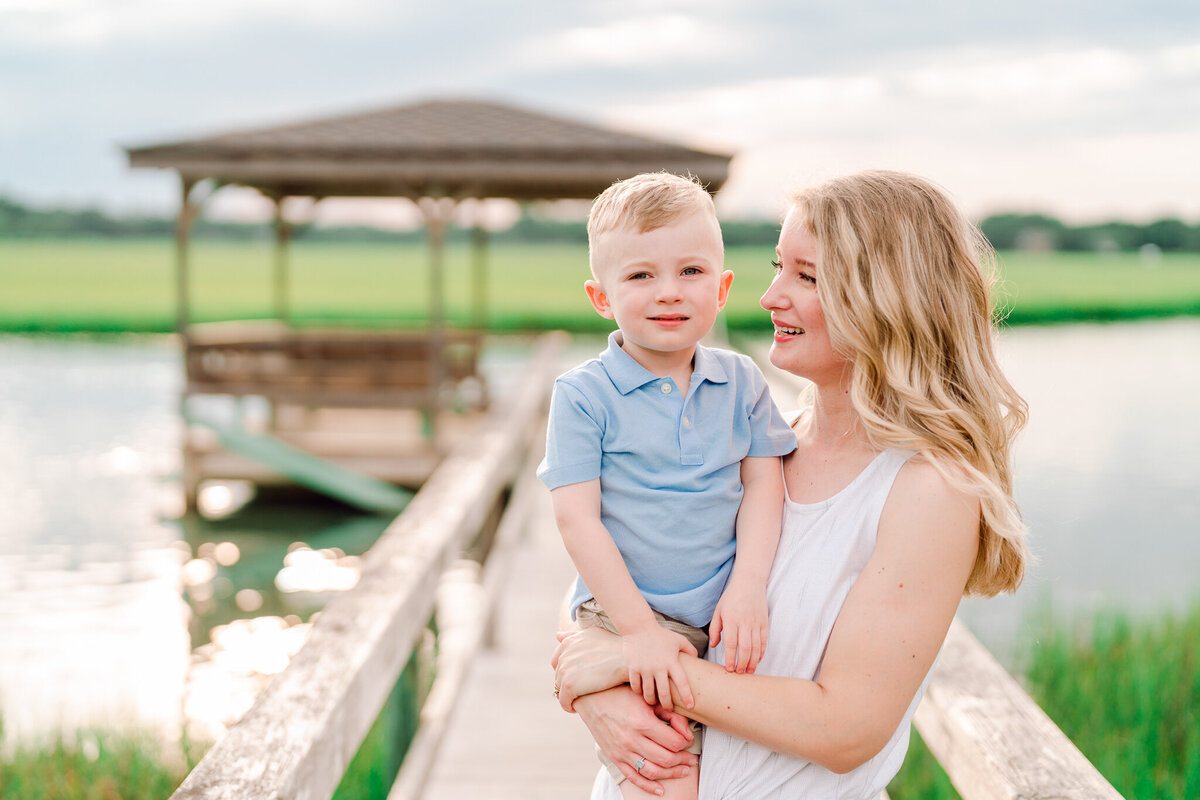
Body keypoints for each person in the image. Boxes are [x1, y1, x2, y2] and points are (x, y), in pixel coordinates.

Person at [551, 169, 1030, 799]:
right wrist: (600, 691)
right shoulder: (761, 434)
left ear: (885, 298)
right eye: (779, 266)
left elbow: (847, 729)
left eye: (806, 276)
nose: (770, 296)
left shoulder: (930, 487)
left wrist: (630, 665)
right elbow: (614, 569)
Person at [538, 172, 798, 798]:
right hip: (625, 613)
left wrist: (747, 589)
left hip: (720, 616)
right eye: (640, 276)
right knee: (667, 771)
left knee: (732, 769)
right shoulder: (583, 396)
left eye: (690, 272)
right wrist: (639, 635)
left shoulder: (741, 382)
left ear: (723, 286)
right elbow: (578, 520)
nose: (668, 293)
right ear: (601, 297)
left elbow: (764, 487)